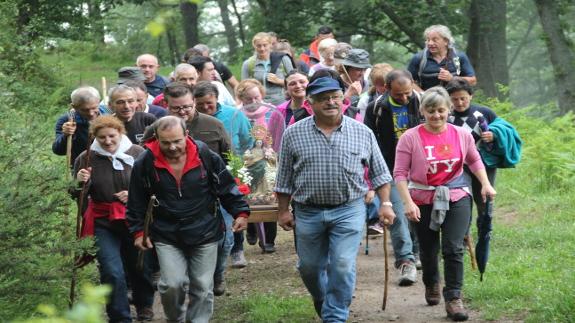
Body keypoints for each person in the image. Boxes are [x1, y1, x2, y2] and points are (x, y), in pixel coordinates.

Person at [275, 76, 396, 322]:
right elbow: (284, 178)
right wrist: (283, 211)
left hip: (349, 209)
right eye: (323, 99)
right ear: (311, 103)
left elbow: (381, 174)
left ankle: (335, 315)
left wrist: (385, 204)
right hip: (307, 211)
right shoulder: (293, 133)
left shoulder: (362, 132)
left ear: (343, 99)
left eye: (335, 97)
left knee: (341, 264)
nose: (330, 102)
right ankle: (323, 299)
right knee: (309, 268)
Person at [127, 116, 250, 323]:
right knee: (171, 285)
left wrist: (240, 212)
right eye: (166, 142)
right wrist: (139, 232)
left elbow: (227, 187)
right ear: (156, 138)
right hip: (166, 232)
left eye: (177, 141)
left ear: (186, 135)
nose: (173, 147)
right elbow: (136, 201)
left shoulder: (206, 156)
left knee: (202, 286)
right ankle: (175, 317)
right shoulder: (145, 162)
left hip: (205, 229)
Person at [394, 86, 496, 321]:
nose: (436, 115)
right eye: (431, 111)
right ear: (423, 111)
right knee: (429, 250)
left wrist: (485, 184)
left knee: (453, 247)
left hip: (457, 194)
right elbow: (400, 173)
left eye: (440, 110)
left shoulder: (461, 134)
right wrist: (407, 203)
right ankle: (431, 281)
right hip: (422, 197)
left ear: (448, 110)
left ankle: (453, 298)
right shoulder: (410, 137)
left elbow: (474, 159)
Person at [74, 115, 155, 322]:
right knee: (112, 271)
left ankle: (144, 304)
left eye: (112, 136)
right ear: (95, 137)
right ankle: (119, 316)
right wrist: (80, 182)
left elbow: (154, 186)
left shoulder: (139, 153)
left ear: (121, 133)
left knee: (140, 265)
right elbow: (75, 193)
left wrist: (134, 194)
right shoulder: (86, 157)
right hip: (103, 221)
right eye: (102, 138)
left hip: (134, 219)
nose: (108, 141)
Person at [364, 69, 423, 286]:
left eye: (408, 93)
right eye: (399, 95)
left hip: (420, 169)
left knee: (417, 213)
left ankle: (418, 252)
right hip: (390, 170)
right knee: (397, 214)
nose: (405, 98)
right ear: (387, 89)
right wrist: (372, 179)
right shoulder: (376, 108)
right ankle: (405, 261)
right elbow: (370, 143)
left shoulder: (421, 102)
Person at [445, 78, 498, 243]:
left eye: (463, 98)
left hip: (484, 165)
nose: (459, 103)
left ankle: (484, 231)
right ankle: (462, 235)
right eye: (454, 99)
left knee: (484, 200)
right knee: (462, 200)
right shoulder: (447, 116)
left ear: (471, 96)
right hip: (458, 167)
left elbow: (503, 129)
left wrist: (494, 135)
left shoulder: (484, 113)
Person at [235, 79, 284, 253]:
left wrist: (273, 153)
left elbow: (278, 136)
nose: (254, 102)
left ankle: (269, 239)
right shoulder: (239, 115)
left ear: (262, 95)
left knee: (269, 197)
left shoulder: (272, 112)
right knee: (251, 198)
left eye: (256, 97)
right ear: (242, 100)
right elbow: (238, 141)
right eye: (249, 99)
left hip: (269, 162)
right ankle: (252, 229)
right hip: (248, 163)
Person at [407, 25, 477, 91]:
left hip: (454, 101)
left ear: (446, 41)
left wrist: (452, 78)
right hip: (428, 101)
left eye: (435, 40)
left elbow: (473, 81)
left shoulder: (459, 57)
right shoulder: (419, 58)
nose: (430, 43)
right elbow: (407, 81)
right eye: (428, 40)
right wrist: (423, 95)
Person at [193, 81, 253, 156]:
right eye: (200, 104)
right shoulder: (190, 119)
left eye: (209, 103)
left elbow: (248, 141)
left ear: (217, 98)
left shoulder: (234, 114)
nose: (205, 107)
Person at [53, 86, 105, 166]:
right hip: (81, 168)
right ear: (74, 106)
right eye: (85, 110)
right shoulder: (67, 120)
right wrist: (66, 135)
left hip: (107, 166)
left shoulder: (108, 115)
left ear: (99, 102)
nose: (91, 113)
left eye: (94, 108)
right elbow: (58, 150)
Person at [241, 32, 295, 105]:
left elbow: (294, 82)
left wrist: (278, 81)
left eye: (265, 45)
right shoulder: (248, 64)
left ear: (270, 45)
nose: (262, 49)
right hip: (259, 105)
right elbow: (243, 88)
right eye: (258, 46)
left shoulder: (283, 59)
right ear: (254, 46)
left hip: (282, 103)